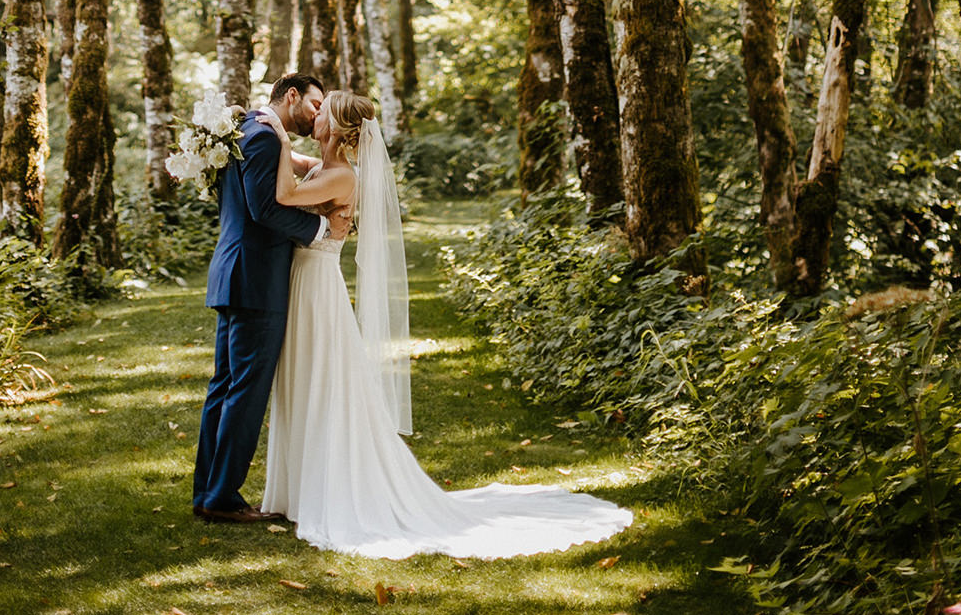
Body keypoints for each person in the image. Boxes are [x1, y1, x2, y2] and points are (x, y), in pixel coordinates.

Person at [257, 88, 633, 560]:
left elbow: (285, 192)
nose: (314, 115)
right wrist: (255, 129)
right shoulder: (326, 165)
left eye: (323, 111)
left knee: (323, 381)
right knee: (304, 380)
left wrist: (275, 133)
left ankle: (332, 489)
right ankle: (300, 490)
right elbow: (298, 165)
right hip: (305, 279)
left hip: (317, 287)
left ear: (336, 128)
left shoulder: (342, 178)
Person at [193, 73, 353, 524]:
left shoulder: (248, 129)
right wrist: (322, 230)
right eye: (314, 104)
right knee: (244, 390)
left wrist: (304, 161)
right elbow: (265, 208)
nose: (318, 113)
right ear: (291, 96)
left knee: (224, 386)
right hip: (257, 279)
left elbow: (278, 178)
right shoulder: (263, 137)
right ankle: (222, 497)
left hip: (236, 274)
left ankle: (208, 492)